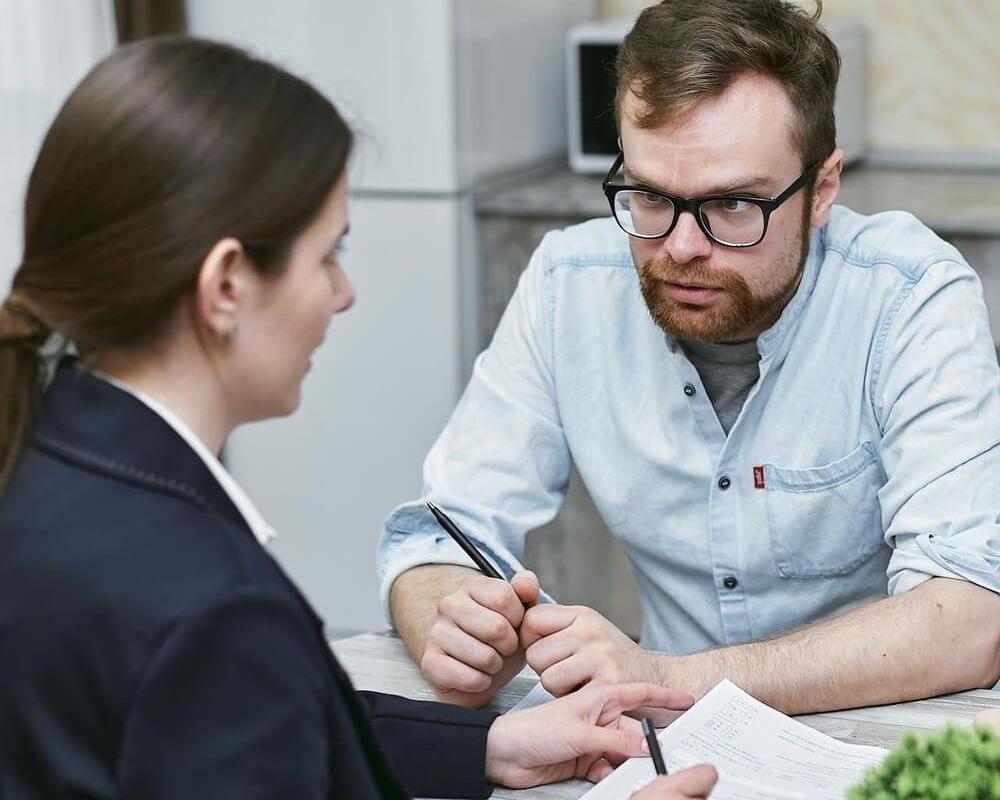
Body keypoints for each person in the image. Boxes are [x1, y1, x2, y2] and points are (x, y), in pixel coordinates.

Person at [0, 36, 718, 800]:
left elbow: (249, 722)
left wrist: (486, 744)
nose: (343, 294)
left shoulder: (38, 463)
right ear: (226, 288)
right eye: (328, 255)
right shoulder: (217, 611)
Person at [379, 0, 1000, 714]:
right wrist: (443, 612)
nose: (680, 247)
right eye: (649, 195)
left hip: (889, 732)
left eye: (734, 204)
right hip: (676, 742)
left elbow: (969, 618)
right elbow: (439, 528)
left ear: (821, 190)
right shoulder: (568, 284)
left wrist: (671, 680)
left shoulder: (909, 298)